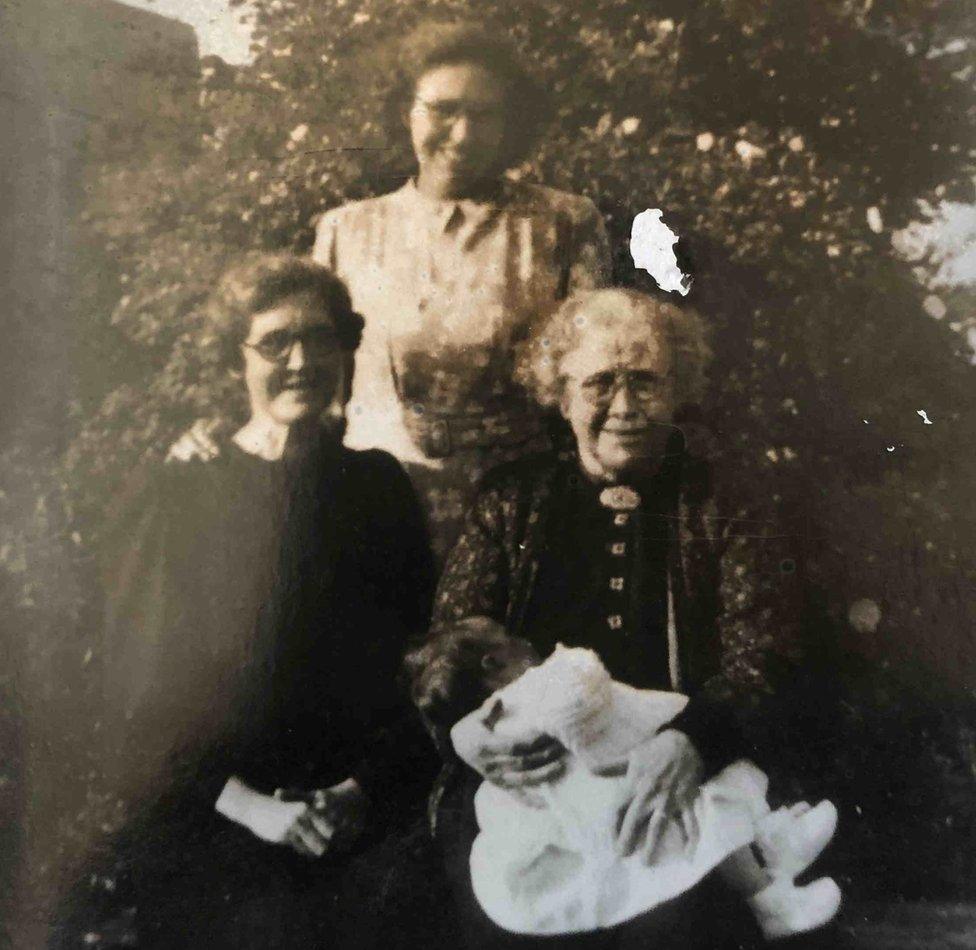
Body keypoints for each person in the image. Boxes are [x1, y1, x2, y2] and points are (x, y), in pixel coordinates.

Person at [50, 254, 436, 948]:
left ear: (346, 350)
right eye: (274, 342)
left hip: (360, 808)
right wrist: (254, 809)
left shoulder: (379, 490)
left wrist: (358, 791)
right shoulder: (178, 495)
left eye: (320, 339)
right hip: (217, 817)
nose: (301, 360)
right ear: (239, 358)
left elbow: (415, 666)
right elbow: (140, 703)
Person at [416, 288, 815, 948]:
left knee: (673, 921)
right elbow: (450, 643)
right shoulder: (511, 500)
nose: (625, 407)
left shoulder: (726, 499)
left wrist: (691, 739)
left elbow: (767, 654)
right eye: (601, 383)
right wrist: (464, 734)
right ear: (562, 394)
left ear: (677, 389)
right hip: (529, 783)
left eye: (646, 383)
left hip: (683, 767)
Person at [310, 20, 612, 559]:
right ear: (405, 110)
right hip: (375, 505)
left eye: (484, 115)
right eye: (444, 110)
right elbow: (315, 383)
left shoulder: (562, 225)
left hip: (512, 511)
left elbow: (593, 379)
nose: (464, 134)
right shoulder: (346, 232)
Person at [432, 626, 840, 940]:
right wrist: (573, 663)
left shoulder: (498, 710)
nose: (527, 642)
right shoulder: (531, 689)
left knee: (700, 783)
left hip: (661, 747)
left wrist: (690, 734)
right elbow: (578, 693)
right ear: (490, 663)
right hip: (605, 789)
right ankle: (772, 900)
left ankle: (770, 844)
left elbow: (762, 653)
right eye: (512, 640)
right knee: (702, 815)